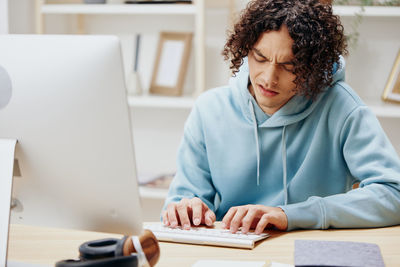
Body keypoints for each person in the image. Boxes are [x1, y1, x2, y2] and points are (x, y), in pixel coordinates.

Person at [161, 0, 400, 234]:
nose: (269, 77)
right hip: (234, 251)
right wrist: (186, 208)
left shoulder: (342, 107)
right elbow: (183, 198)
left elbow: (393, 193)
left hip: (310, 250)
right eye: (260, 58)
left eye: (289, 66)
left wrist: (292, 214)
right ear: (246, 49)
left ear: (313, 66)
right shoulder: (209, 109)